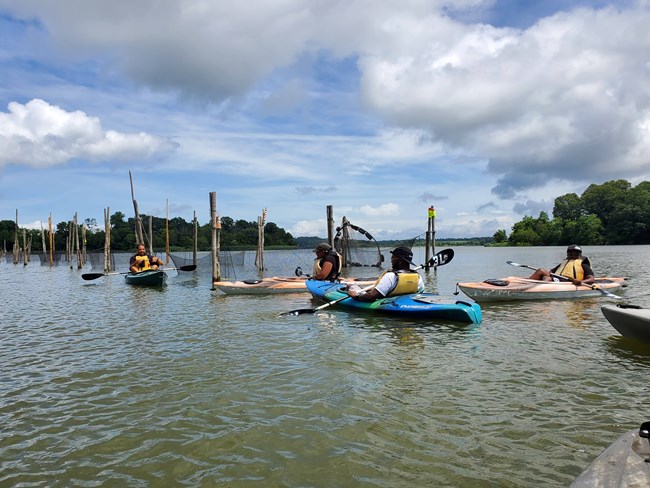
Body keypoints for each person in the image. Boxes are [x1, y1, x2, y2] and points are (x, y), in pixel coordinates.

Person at [348, 246, 424, 301]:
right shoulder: (418, 277)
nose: (391, 260)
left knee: (351, 285)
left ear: (400, 260)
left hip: (387, 302)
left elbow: (371, 296)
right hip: (404, 302)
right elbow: (419, 293)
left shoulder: (391, 276)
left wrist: (356, 296)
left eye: (393, 258)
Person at [528, 244, 595, 286]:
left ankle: (537, 289)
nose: (573, 256)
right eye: (570, 254)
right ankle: (526, 283)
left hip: (568, 281)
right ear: (567, 255)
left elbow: (591, 279)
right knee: (540, 270)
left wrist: (580, 282)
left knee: (547, 278)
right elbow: (551, 272)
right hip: (558, 278)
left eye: (576, 255)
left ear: (580, 256)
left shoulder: (583, 264)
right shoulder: (564, 263)